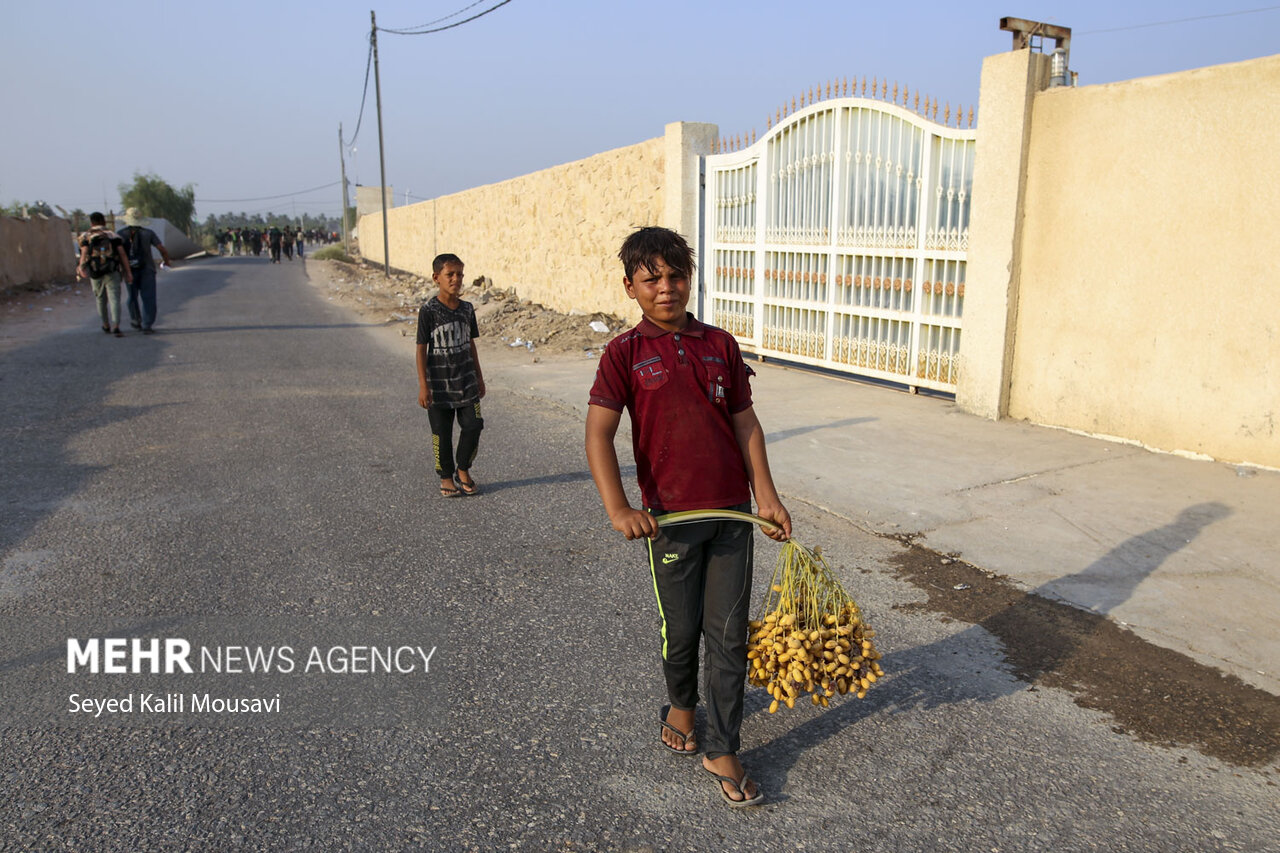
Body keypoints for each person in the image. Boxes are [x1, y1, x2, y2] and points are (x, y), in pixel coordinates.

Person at [584, 226, 791, 808]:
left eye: (677, 276)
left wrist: (766, 497)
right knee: (681, 633)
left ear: (690, 279)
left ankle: (722, 744)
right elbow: (598, 434)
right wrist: (619, 507)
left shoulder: (720, 343)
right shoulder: (623, 353)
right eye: (652, 279)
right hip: (669, 521)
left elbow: (745, 424)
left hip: (732, 516)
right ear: (631, 287)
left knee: (728, 635)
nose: (667, 288)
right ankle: (681, 702)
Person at [415, 253, 486, 498]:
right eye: (450, 275)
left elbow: (471, 343)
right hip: (439, 385)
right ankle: (446, 476)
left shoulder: (467, 309)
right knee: (441, 433)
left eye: (460, 274)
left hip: (466, 381)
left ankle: (463, 469)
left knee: (474, 425)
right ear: (437, 278)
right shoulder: (429, 311)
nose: (456, 279)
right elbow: (421, 349)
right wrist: (423, 386)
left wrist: (479, 376)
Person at [76, 211, 133, 337]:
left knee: (100, 299)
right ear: (104, 221)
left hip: (95, 272)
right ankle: (116, 325)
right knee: (114, 299)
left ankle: (105, 324)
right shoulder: (113, 235)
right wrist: (128, 272)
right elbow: (122, 254)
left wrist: (81, 268)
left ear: (91, 223)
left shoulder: (86, 236)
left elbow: (84, 253)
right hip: (112, 271)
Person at [117, 208, 173, 334]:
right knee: (149, 297)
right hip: (147, 269)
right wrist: (167, 261)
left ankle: (136, 320)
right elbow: (162, 249)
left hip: (129, 270)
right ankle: (147, 324)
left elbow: (118, 253)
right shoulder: (148, 233)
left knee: (132, 296)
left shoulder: (120, 234)